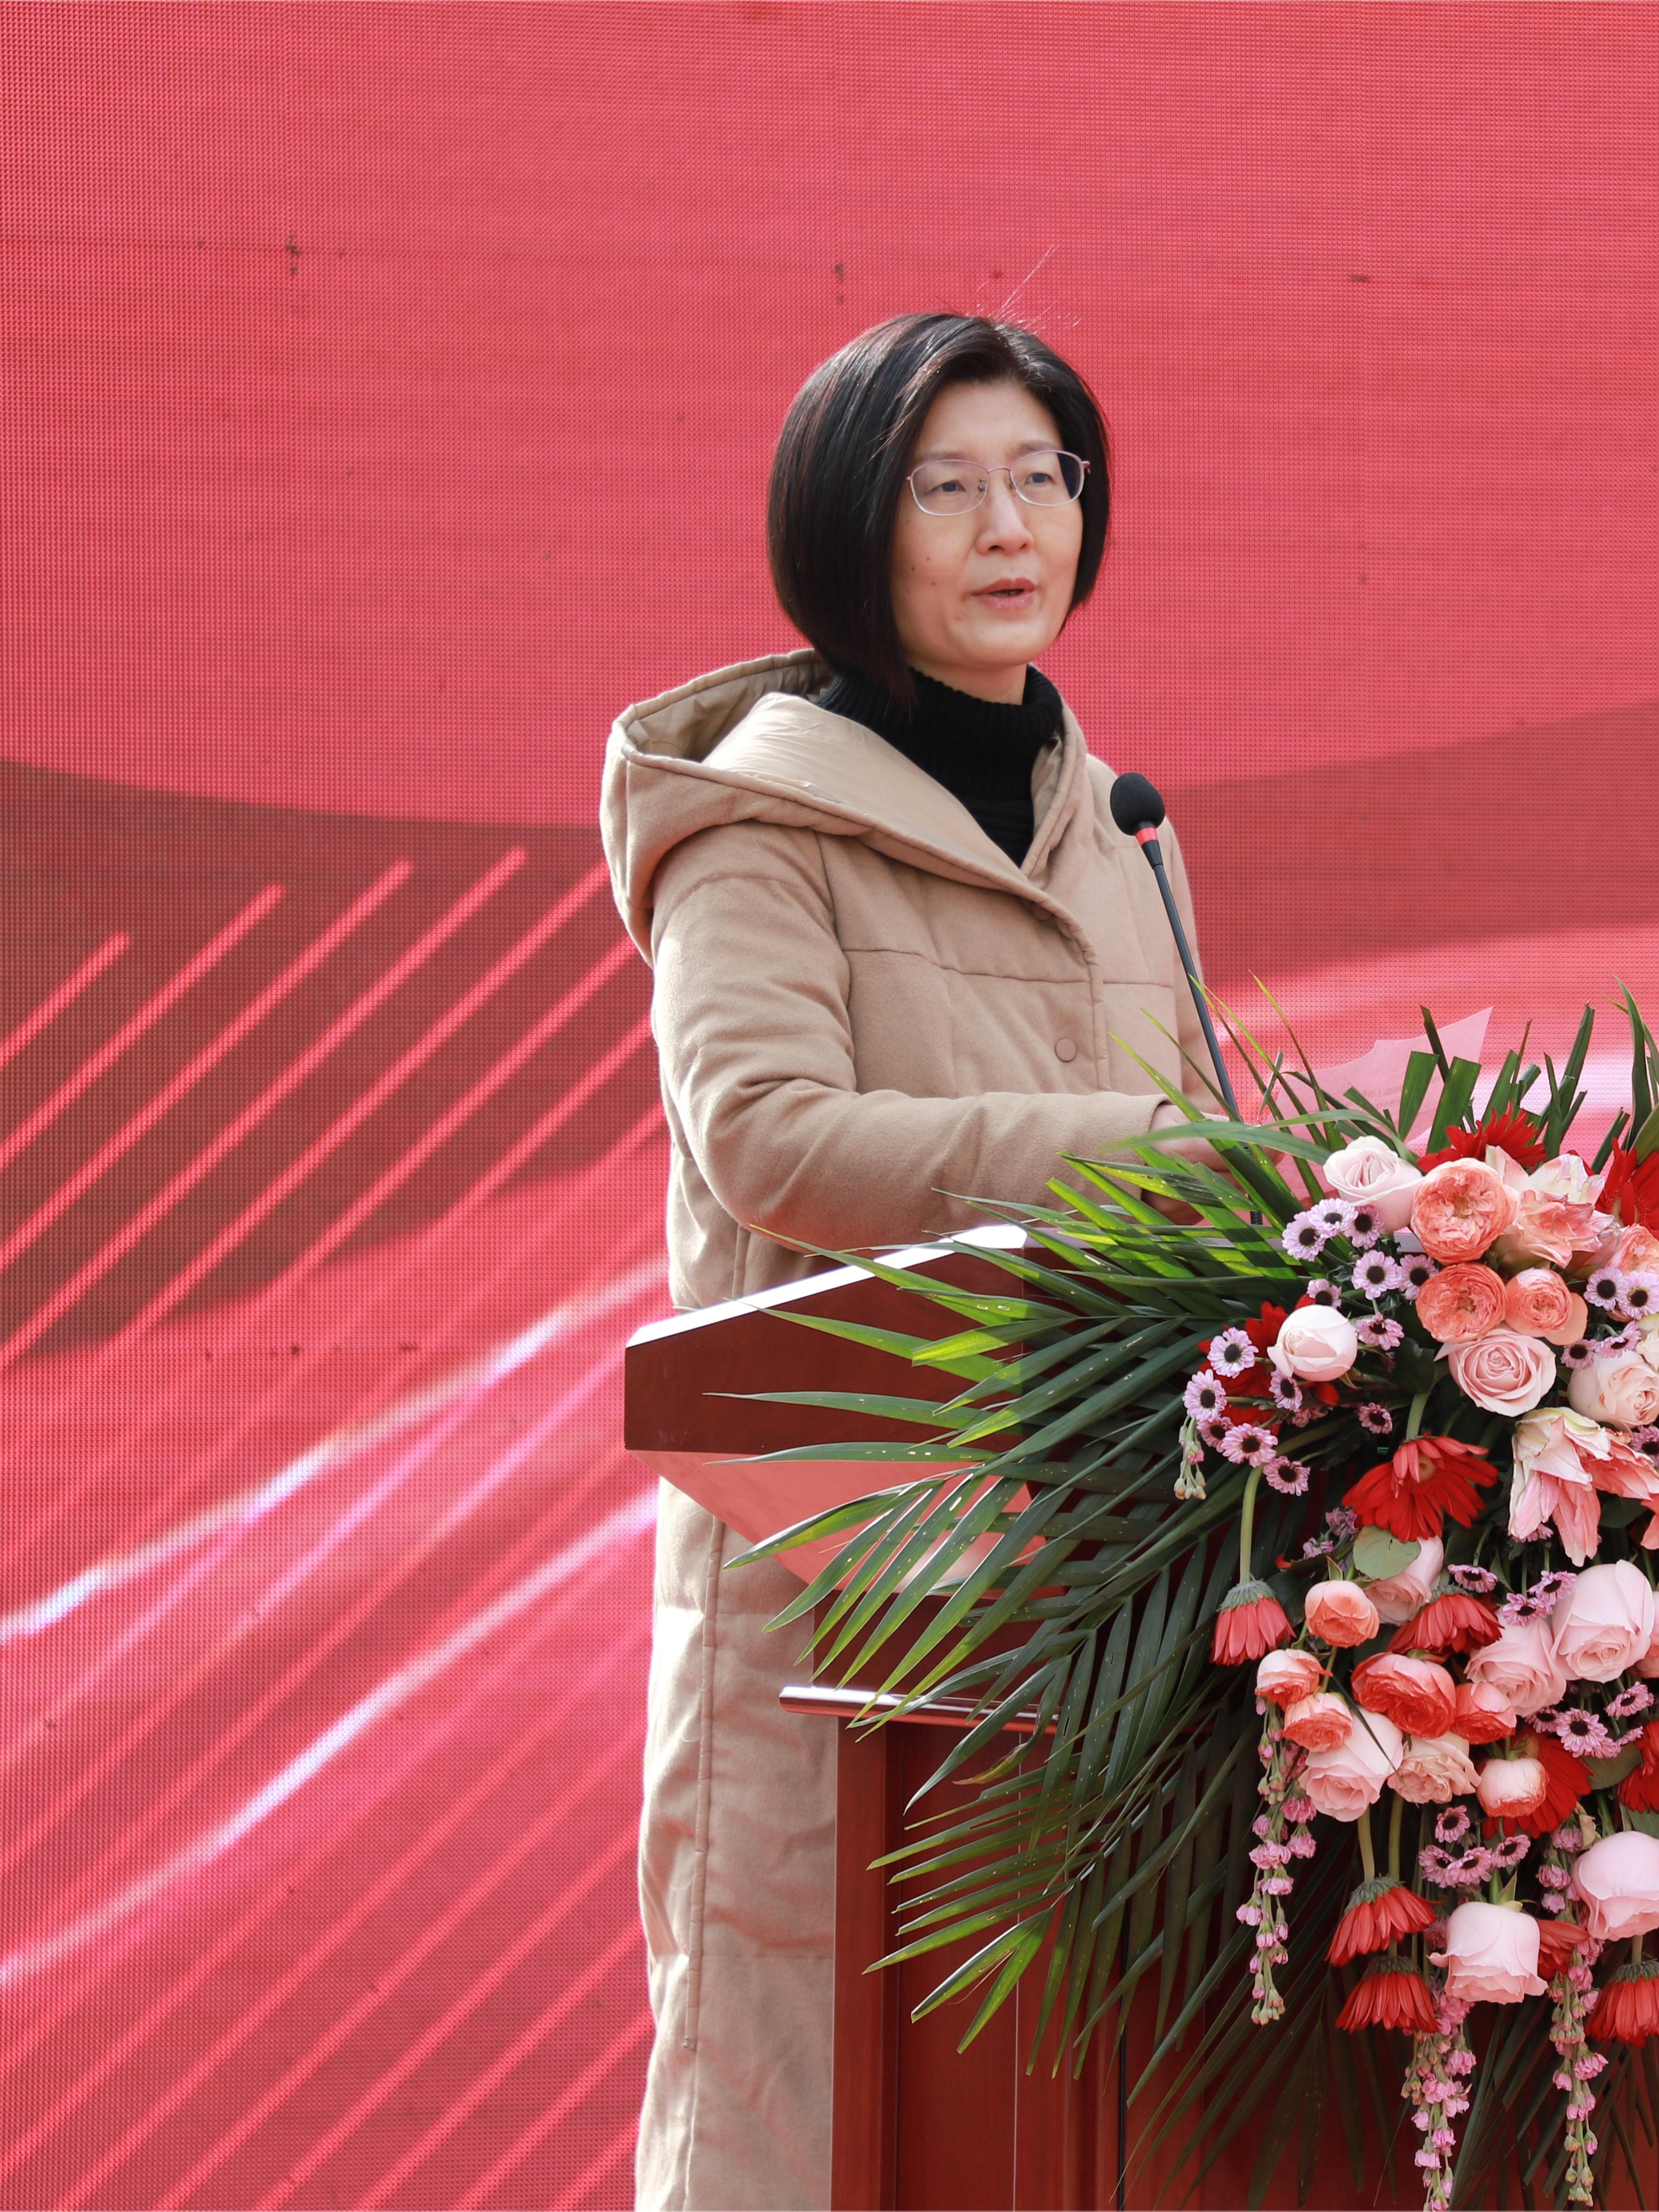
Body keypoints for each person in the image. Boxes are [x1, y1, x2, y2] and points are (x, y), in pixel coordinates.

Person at [600, 311, 1209, 2210]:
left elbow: (1202, 1162)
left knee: (1051, 2123)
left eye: (1042, 478)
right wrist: (1136, 1162)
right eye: (947, 487)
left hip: (1104, 1579)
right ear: (848, 529)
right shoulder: (756, 833)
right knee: (803, 2105)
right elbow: (768, 1137)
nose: (1009, 526)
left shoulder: (1121, 831)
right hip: (841, 1572)